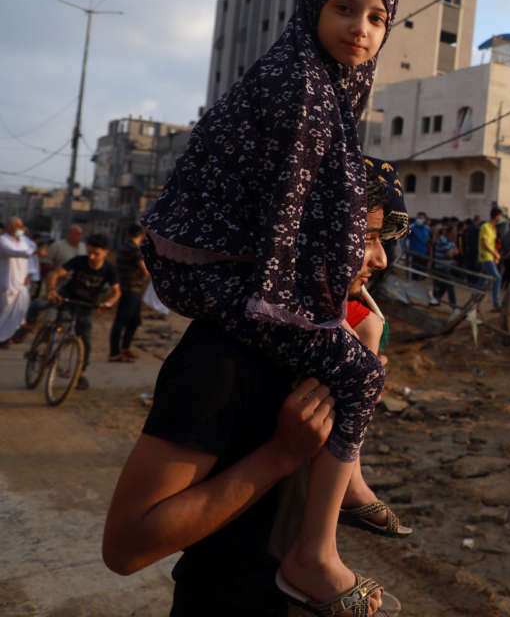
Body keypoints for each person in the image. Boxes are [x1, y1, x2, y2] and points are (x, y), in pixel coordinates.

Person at [138, 0, 403, 609]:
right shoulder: (303, 88)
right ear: (312, 6)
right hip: (207, 271)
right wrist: (296, 308)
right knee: (359, 369)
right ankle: (315, 554)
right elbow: (290, 209)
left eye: (377, 18)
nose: (360, 29)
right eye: (344, 8)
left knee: (363, 328)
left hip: (216, 265)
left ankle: (349, 495)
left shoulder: (321, 84)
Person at [104, 157, 409, 616]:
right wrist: (281, 454)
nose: (381, 258)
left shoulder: (328, 346)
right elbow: (126, 546)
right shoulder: (222, 355)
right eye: (366, 238)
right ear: (309, 233)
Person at [44, 233, 121, 390]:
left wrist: (108, 303)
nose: (92, 257)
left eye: (96, 253)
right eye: (89, 252)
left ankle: (81, 374)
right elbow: (56, 274)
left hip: (86, 305)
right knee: (44, 310)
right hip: (66, 298)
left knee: (85, 340)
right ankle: (43, 339)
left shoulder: (109, 270)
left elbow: (116, 292)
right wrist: (52, 290)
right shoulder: (79, 261)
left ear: (106, 252)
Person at [108, 223, 150, 362]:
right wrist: (144, 273)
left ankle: (124, 348)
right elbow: (144, 270)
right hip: (130, 289)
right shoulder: (135, 249)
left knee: (134, 320)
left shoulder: (123, 247)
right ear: (142, 236)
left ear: (128, 234)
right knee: (121, 321)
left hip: (128, 288)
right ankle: (114, 353)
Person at [0, 217, 36, 346]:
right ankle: (2, 338)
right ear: (9, 227)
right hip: (8, 282)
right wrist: (33, 251)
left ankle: (9, 336)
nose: (21, 229)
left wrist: (30, 273)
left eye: (22, 226)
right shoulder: (3, 240)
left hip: (22, 282)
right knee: (5, 312)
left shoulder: (24, 241)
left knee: (21, 310)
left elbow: (31, 254)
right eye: (18, 226)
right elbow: (16, 252)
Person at [478, 207, 504, 310]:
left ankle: (473, 301)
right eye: (500, 215)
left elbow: (492, 245)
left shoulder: (493, 229)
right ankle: (496, 304)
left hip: (489, 257)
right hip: (485, 256)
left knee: (482, 281)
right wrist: (495, 254)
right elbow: (484, 244)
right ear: (497, 216)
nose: (501, 218)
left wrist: (496, 255)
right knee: (497, 278)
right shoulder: (485, 226)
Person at [432, 223, 459, 308]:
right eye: (454, 231)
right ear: (449, 232)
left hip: (446, 266)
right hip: (440, 267)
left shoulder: (451, 240)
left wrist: (452, 251)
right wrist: (452, 251)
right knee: (449, 285)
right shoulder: (442, 239)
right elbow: (449, 254)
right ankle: (453, 305)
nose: (456, 233)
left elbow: (456, 251)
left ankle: (435, 300)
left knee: (443, 286)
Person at [406, 211, 431, 281]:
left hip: (423, 254)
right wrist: (405, 249)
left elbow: (427, 240)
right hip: (413, 254)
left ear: (425, 219)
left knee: (421, 274)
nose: (419, 219)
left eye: (421, 218)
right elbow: (404, 240)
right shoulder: (411, 228)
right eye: (418, 217)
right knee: (412, 274)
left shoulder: (427, 228)